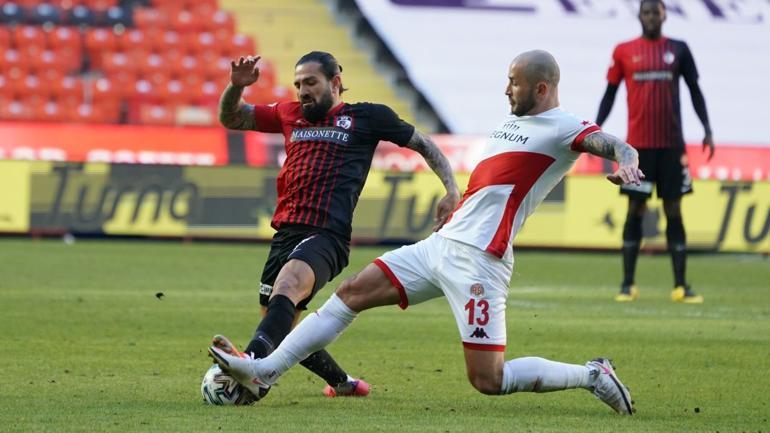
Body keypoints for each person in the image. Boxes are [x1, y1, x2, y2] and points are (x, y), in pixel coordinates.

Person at [209, 50, 641, 415]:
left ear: (541, 88)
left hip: (479, 260)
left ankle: (592, 374)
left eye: (513, 83)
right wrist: (455, 195)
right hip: (441, 245)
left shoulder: (565, 128)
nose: (506, 90)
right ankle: (264, 370)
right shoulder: (511, 122)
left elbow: (612, 143)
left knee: (488, 380)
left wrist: (625, 161)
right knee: (351, 294)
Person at [213, 51, 460, 398]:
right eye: (298, 84)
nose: (302, 91)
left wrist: (451, 188)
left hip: (327, 234)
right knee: (282, 326)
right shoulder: (289, 114)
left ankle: (252, 365)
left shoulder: (367, 117)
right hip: (285, 233)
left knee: (288, 287)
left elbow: (422, 143)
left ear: (336, 82)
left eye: (310, 82)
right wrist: (236, 87)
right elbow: (233, 118)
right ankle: (342, 383)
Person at [595, 0, 713, 303]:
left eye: (655, 12)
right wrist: (595, 130)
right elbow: (610, 93)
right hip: (638, 150)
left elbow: (695, 91)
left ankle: (681, 286)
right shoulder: (623, 51)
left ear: (664, 14)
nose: (650, 17)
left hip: (672, 148)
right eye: (646, 12)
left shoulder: (680, 49)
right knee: (635, 210)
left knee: (674, 210)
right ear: (640, 16)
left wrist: (707, 129)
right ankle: (627, 285)